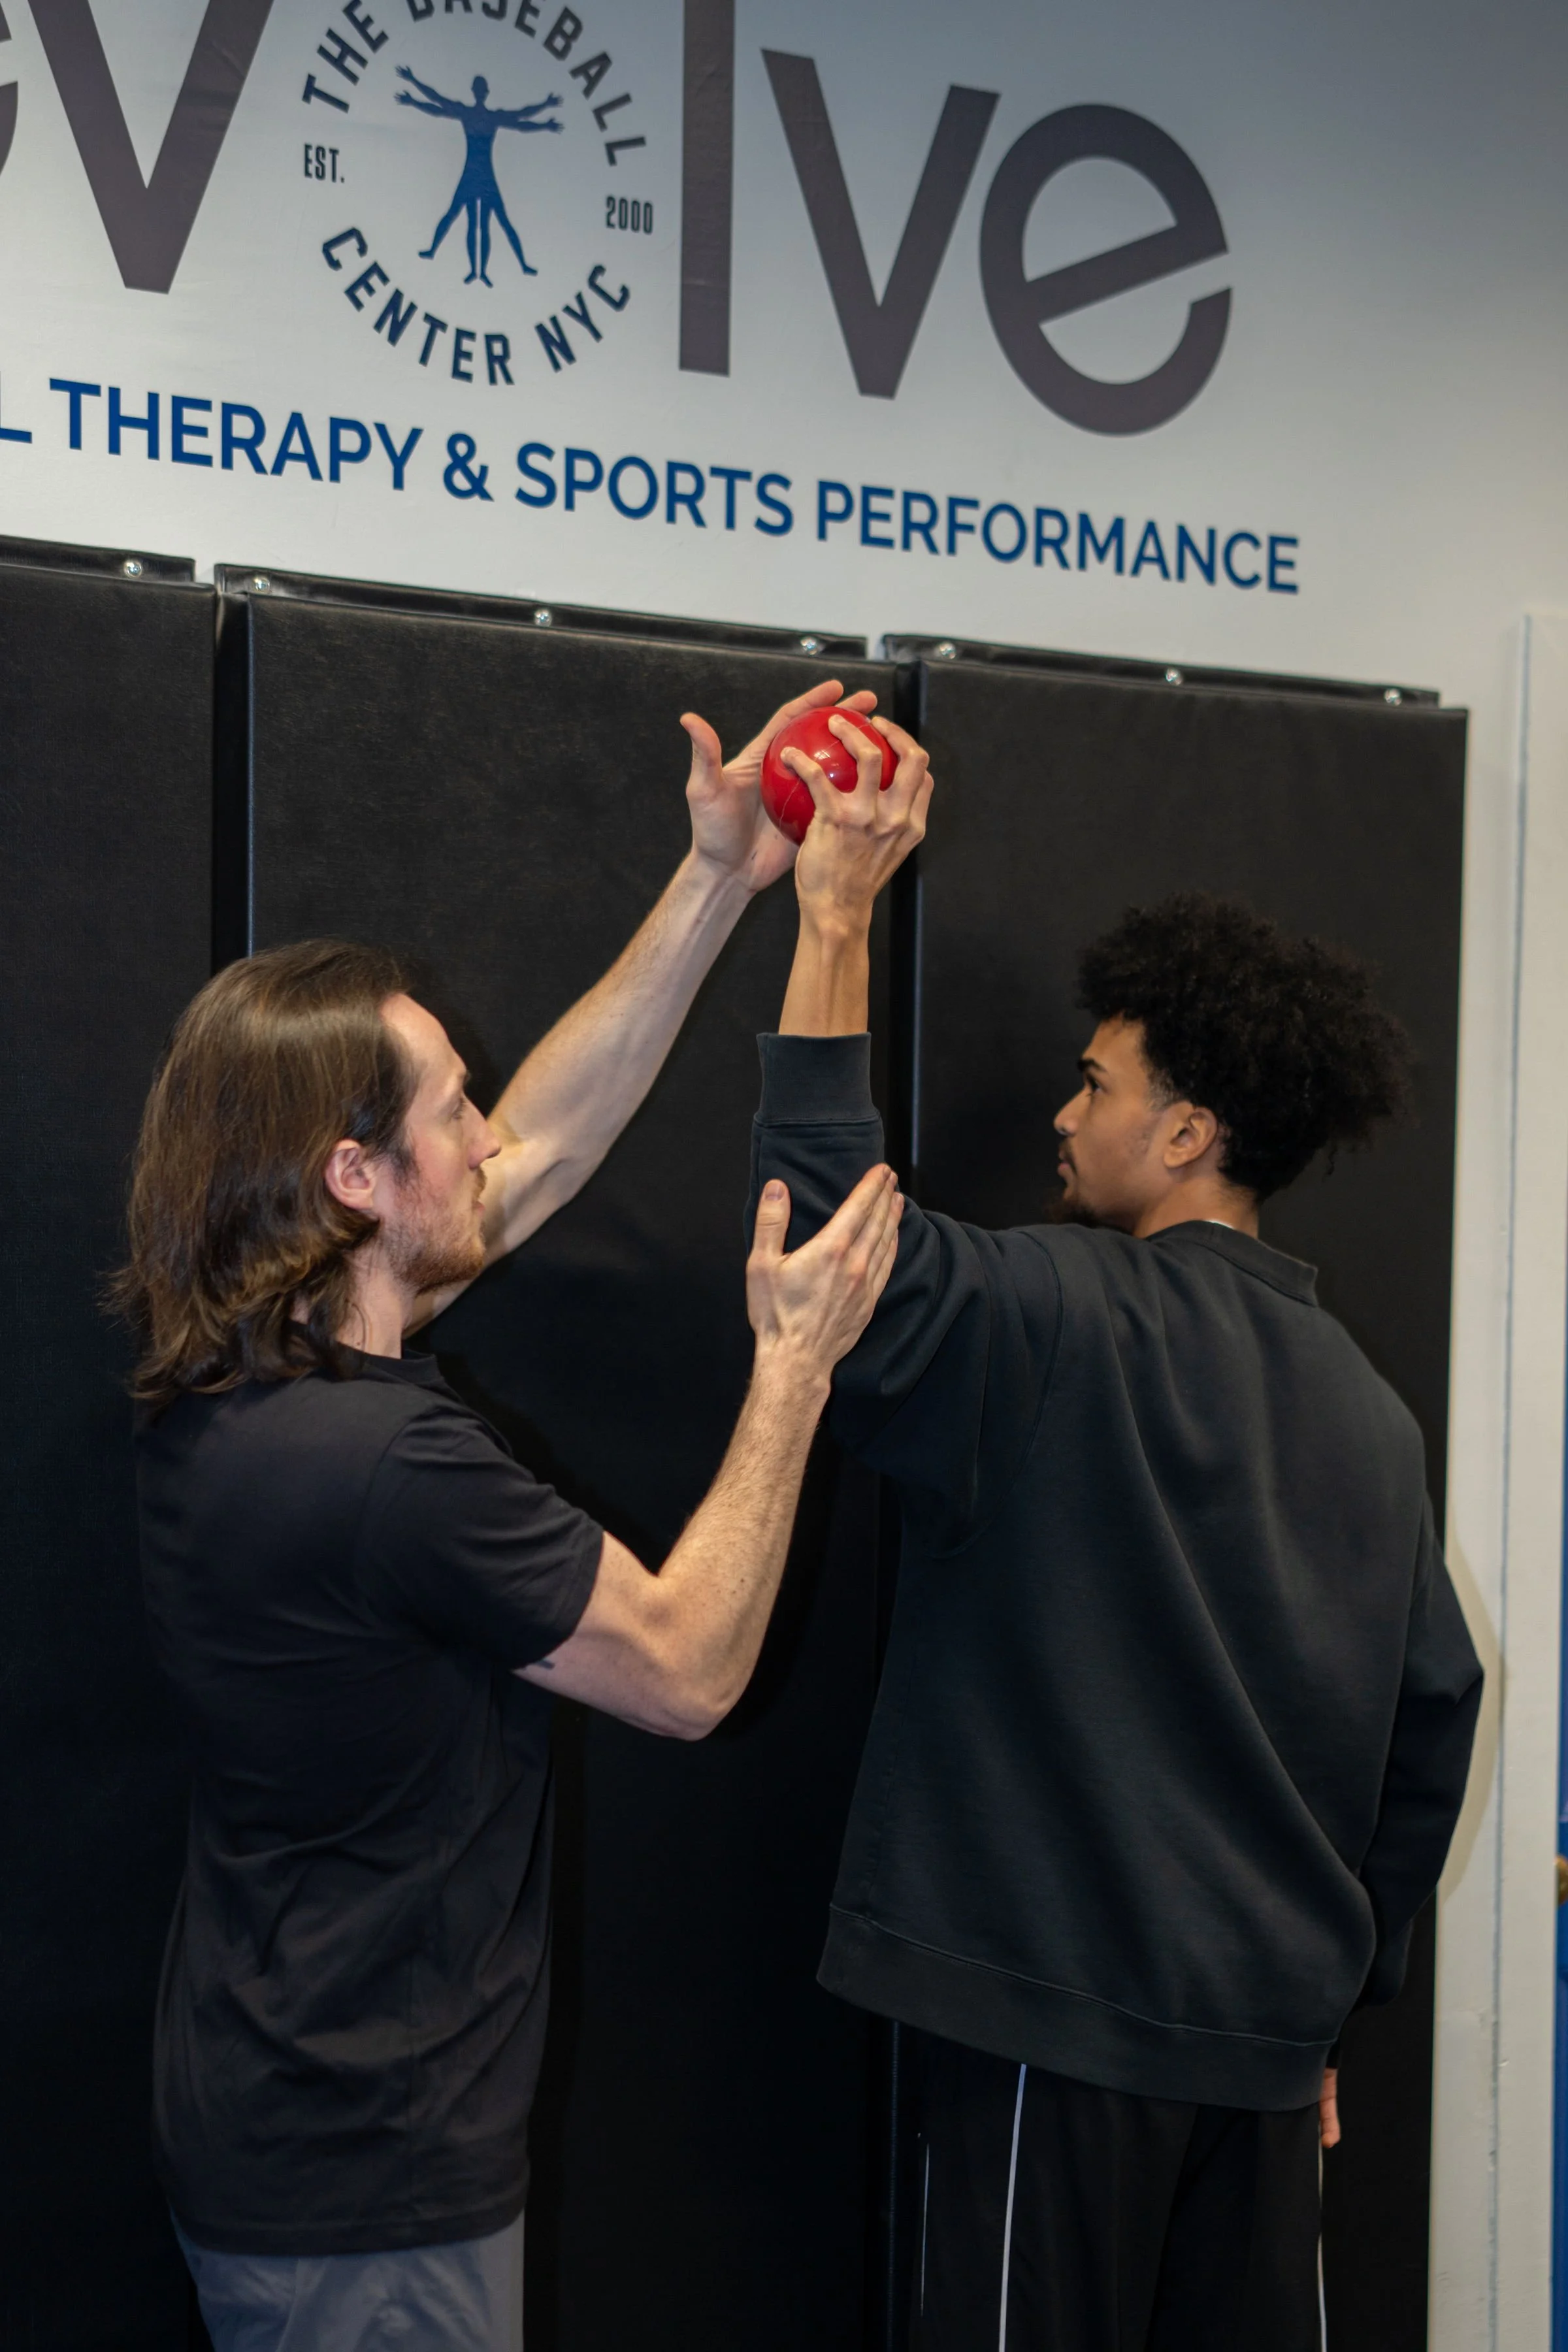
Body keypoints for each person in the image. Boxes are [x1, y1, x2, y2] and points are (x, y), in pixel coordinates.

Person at [116, 683, 902, 2352]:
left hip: (278, 2129)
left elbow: (531, 1162)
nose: (488, 1134)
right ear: (351, 1180)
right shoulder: (391, 1471)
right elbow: (688, 1670)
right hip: (370, 2191)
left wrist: (716, 881)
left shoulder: (230, 1394)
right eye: (448, 1107)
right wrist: (793, 1368)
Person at [749, 715, 1484, 2352]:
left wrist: (836, 913)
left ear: (1189, 1132)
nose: (1068, 1118)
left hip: (1051, 2044)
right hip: (1264, 2068)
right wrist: (1326, 2007)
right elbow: (1435, 1715)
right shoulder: (1375, 1415)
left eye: (1100, 1084)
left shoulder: (1052, 1317)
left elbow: (821, 1227)